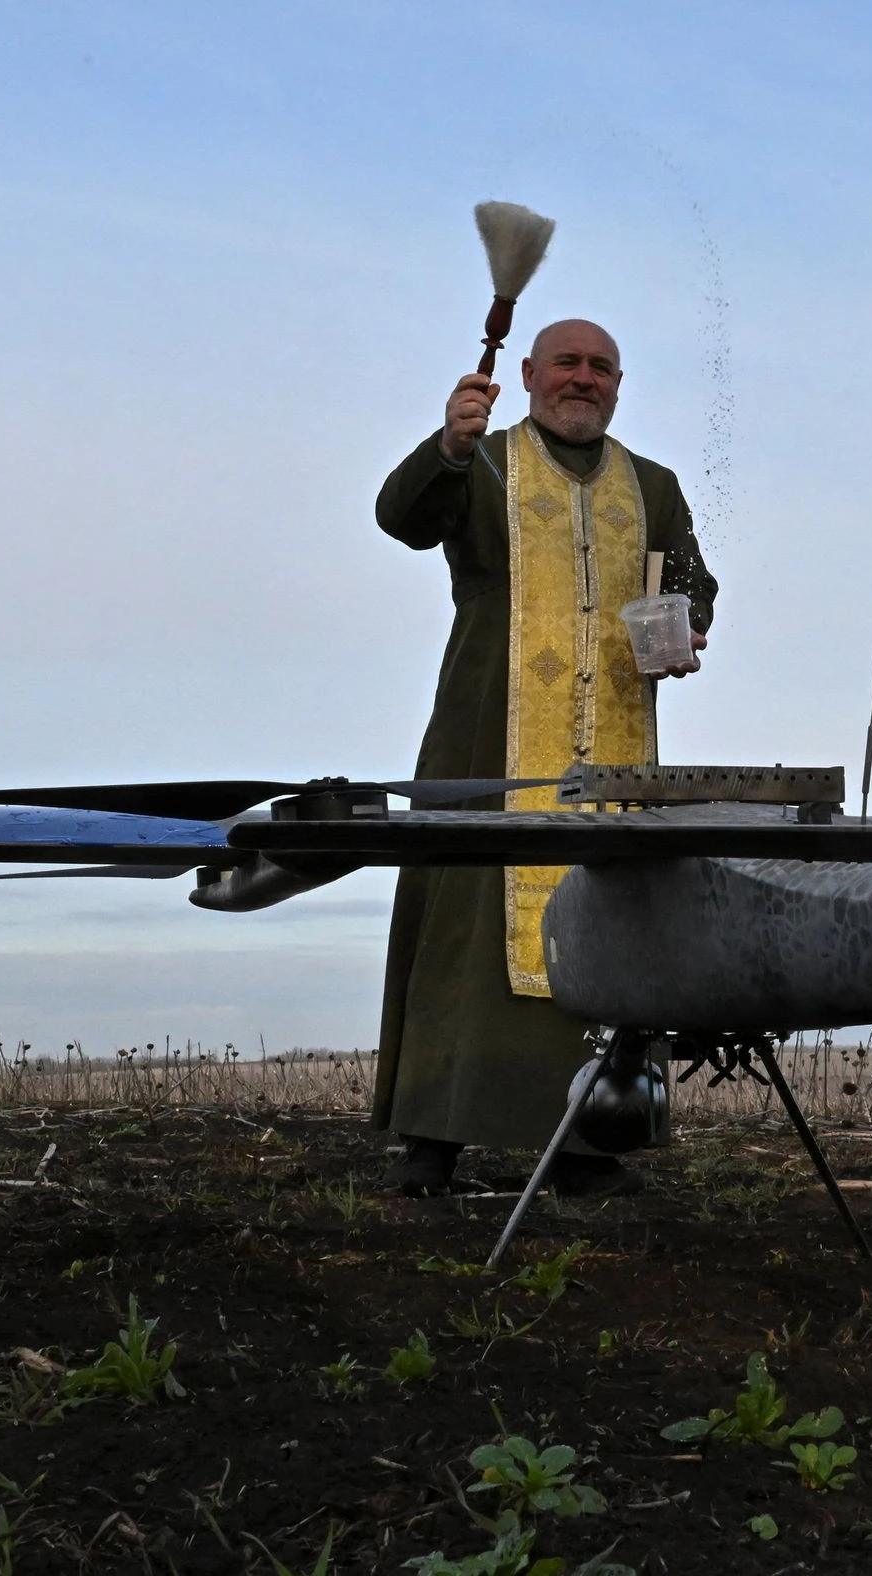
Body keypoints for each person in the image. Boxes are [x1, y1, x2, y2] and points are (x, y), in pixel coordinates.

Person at [370, 318, 719, 1197]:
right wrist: (449, 443)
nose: (583, 378)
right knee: (464, 925)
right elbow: (401, 520)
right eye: (567, 362)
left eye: (602, 367)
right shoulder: (483, 460)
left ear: (619, 383)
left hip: (613, 753)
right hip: (487, 734)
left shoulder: (655, 486)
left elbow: (687, 585)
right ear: (526, 373)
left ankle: (585, 1148)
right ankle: (430, 1140)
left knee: (600, 933)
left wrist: (687, 629)